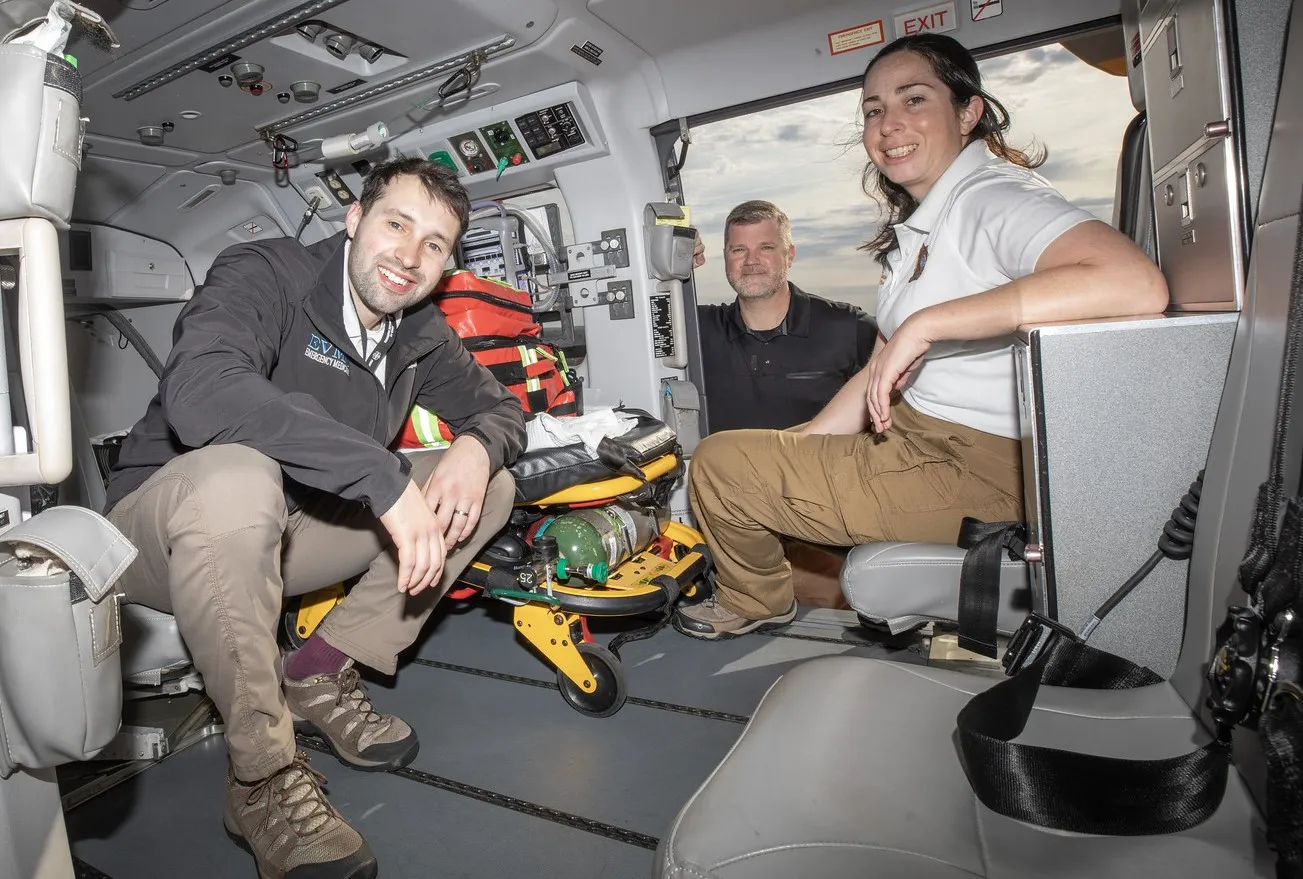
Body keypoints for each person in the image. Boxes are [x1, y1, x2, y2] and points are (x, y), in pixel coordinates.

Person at [104, 157, 527, 878]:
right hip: (164, 533)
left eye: (434, 244)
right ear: (355, 220)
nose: (410, 255)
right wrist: (383, 479)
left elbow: (503, 409)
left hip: (290, 531)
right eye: (396, 224)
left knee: (491, 485)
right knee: (236, 474)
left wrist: (477, 448)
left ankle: (318, 674)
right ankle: (261, 776)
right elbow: (204, 390)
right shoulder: (267, 274)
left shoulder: (417, 332)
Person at [674, 33, 1168, 640]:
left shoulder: (995, 197)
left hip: (976, 464)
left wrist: (928, 324)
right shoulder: (925, 225)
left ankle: (755, 600)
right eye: (874, 110)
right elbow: (874, 373)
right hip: (911, 437)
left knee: (720, 464)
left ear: (968, 112)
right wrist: (795, 448)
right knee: (737, 459)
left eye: (914, 100)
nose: (889, 124)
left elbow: (1134, 282)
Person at [695, 200, 878, 433]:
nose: (751, 261)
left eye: (766, 248)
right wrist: (672, 269)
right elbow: (639, 325)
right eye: (739, 249)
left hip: (821, 468)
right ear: (725, 257)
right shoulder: (697, 331)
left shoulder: (848, 327)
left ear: (789, 255)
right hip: (727, 469)